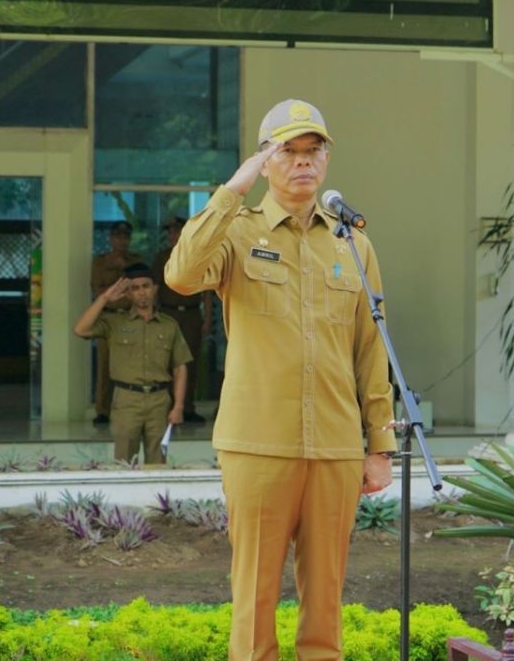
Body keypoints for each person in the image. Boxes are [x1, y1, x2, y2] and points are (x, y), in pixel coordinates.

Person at [164, 98, 396, 661]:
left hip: (337, 446)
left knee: (326, 600)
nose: (302, 163)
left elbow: (371, 351)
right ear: (266, 161)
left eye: (313, 151)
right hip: (258, 443)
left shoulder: (352, 242)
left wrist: (380, 446)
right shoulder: (238, 234)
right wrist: (230, 191)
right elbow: (182, 275)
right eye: (287, 151)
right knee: (255, 594)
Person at [73, 262, 190, 465]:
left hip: (159, 401)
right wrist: (104, 299)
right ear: (127, 294)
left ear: (155, 289)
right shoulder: (115, 322)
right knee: (124, 462)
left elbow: (180, 367)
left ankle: (156, 498)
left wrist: (178, 405)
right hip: (126, 400)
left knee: (157, 461)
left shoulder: (169, 326)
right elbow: (81, 329)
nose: (141, 293)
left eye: (145, 286)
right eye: (134, 288)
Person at [152, 216, 209, 423]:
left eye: (177, 231)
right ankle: (167, 407)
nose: (173, 235)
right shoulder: (162, 257)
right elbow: (154, 288)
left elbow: (206, 291)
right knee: (166, 362)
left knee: (190, 361)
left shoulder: (196, 256)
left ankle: (188, 407)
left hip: (191, 314)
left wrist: (207, 318)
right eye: (170, 232)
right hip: (169, 313)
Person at [88, 220, 144, 425]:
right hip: (109, 316)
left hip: (130, 316)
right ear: (111, 239)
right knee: (104, 364)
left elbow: (139, 289)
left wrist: (126, 268)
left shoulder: (136, 261)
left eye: (126, 237)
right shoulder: (100, 262)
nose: (122, 241)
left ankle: (128, 407)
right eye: (118, 236)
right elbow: (98, 290)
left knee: (131, 363)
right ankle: (102, 410)